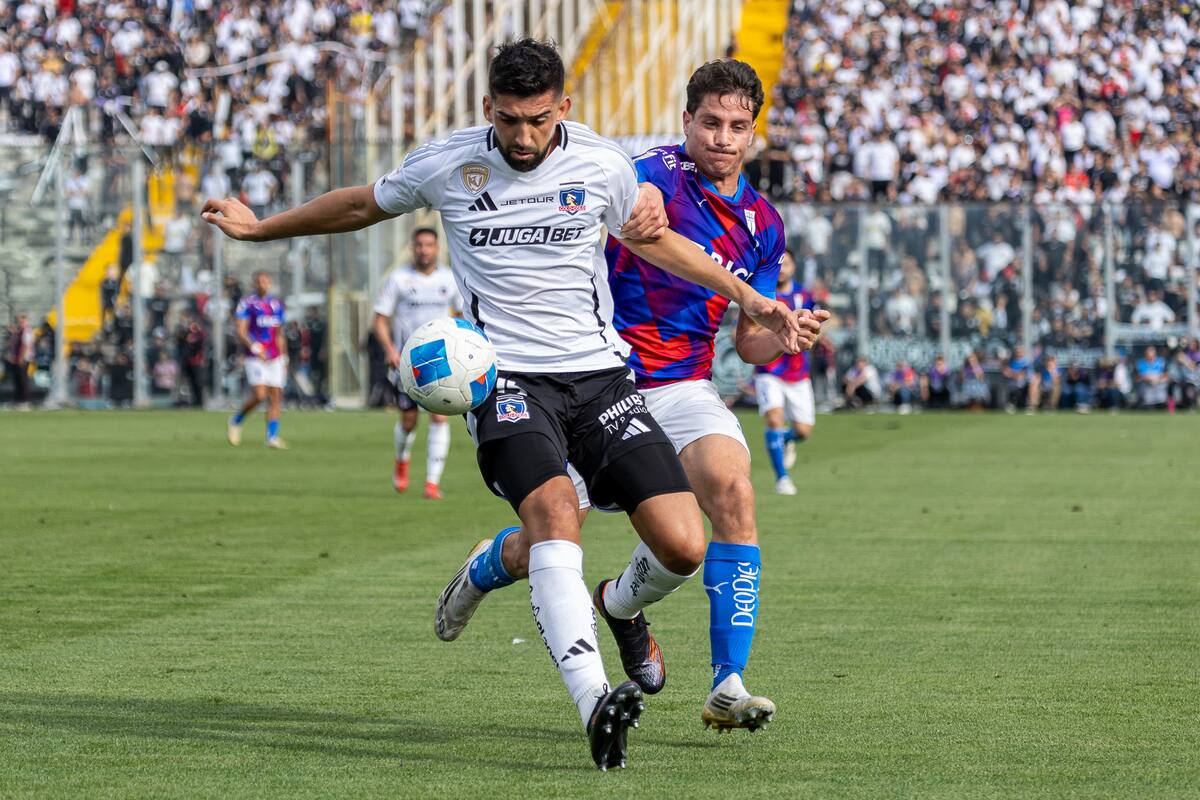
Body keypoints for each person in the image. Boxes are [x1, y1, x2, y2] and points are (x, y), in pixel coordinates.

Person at [201, 40, 811, 771]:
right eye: (511, 120)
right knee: (557, 514)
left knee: (684, 542)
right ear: (488, 107)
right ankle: (595, 703)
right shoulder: (447, 163)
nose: (524, 137)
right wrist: (262, 227)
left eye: (539, 120)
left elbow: (653, 242)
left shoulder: (603, 164)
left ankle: (490, 568)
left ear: (564, 109)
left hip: (602, 379)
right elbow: (365, 202)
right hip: (508, 382)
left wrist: (750, 299)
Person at [435, 59, 828, 737]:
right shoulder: (645, 174)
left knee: (731, 495)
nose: (723, 138)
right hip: (594, 383)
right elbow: (585, 191)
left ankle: (716, 676)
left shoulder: (763, 224)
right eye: (710, 122)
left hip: (680, 386)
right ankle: (488, 564)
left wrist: (784, 334)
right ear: (687, 122)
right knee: (547, 541)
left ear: (754, 134)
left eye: (737, 126)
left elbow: (753, 342)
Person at [373, 227, 462, 499]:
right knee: (409, 421)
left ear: (437, 248)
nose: (424, 250)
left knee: (439, 416)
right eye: (419, 245)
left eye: (429, 245)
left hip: (439, 359)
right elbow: (380, 320)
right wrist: (390, 350)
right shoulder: (399, 279)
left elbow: (460, 316)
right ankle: (402, 459)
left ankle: (432, 483)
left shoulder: (449, 278)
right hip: (407, 360)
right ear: (413, 247)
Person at [755, 250, 818, 496]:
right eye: (780, 264)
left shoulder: (805, 296)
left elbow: (815, 327)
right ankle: (782, 478)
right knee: (773, 419)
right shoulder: (763, 295)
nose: (783, 268)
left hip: (797, 371)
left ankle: (787, 439)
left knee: (804, 430)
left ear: (794, 267)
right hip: (768, 369)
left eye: (787, 263)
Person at [227, 271, 288, 448]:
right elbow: (241, 330)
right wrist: (255, 348)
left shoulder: (276, 305)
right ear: (255, 283)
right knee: (260, 395)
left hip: (274, 356)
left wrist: (284, 357)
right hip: (255, 356)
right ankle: (236, 420)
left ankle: (272, 437)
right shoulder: (247, 303)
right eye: (260, 281)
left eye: (266, 281)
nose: (263, 284)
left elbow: (279, 333)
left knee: (276, 396)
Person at [5, 313, 34, 408]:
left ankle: (24, 401)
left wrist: (20, 358)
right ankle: (18, 400)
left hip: (23, 359)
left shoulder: (27, 330)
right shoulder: (20, 331)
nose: (18, 323)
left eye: (20, 321)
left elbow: (25, 345)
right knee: (17, 380)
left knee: (22, 380)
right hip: (17, 359)